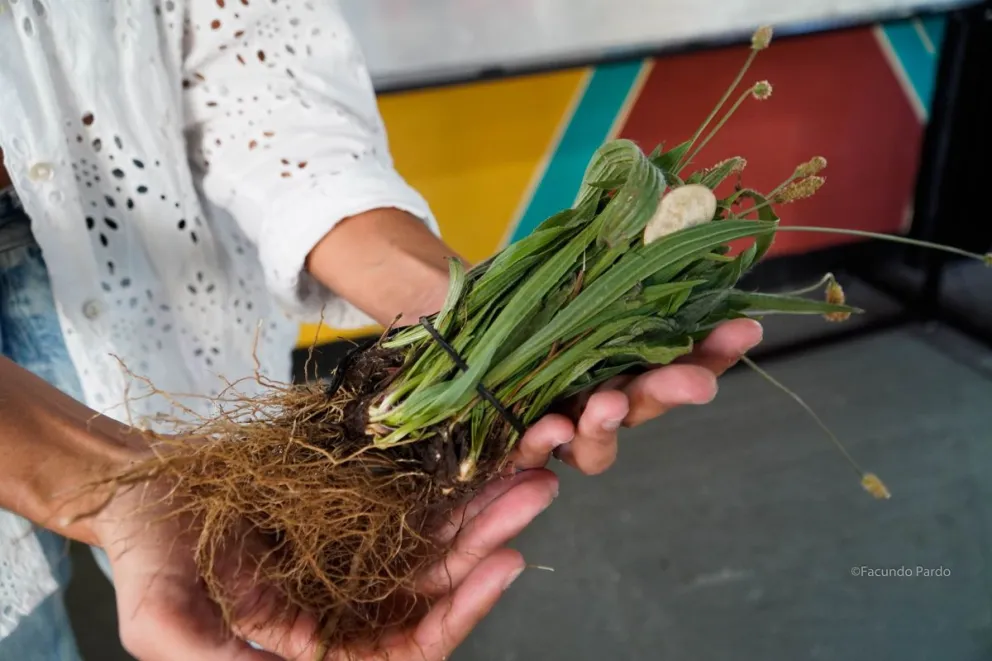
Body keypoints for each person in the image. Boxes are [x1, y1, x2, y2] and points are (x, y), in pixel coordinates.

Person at [0, 2, 764, 660]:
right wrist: (109, 491)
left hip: (131, 256)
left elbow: (246, 58)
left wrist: (441, 305)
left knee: (249, 578)